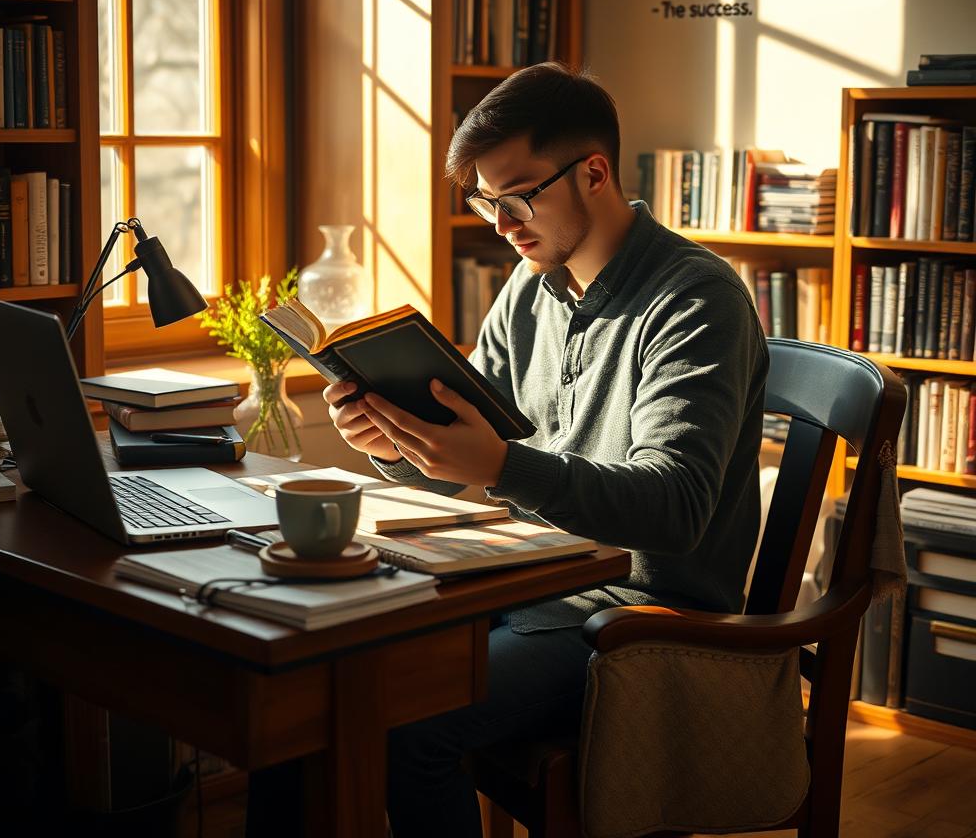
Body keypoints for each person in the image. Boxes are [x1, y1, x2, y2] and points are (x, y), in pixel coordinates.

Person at [322, 62, 769, 838]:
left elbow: (676, 507)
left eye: (517, 195)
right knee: (320, 677)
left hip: (644, 617)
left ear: (594, 172)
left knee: (403, 721)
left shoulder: (696, 299)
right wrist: (393, 442)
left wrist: (498, 466)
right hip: (526, 582)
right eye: (484, 201)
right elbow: (466, 451)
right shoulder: (531, 289)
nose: (500, 223)